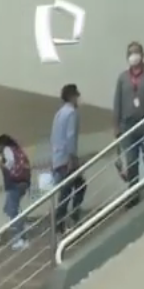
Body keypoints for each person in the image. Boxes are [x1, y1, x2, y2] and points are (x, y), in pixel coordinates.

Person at [51, 83, 86, 234]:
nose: (78, 99)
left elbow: (54, 137)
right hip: (67, 159)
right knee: (73, 189)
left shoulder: (59, 114)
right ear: (72, 97)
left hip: (58, 158)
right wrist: (73, 158)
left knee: (69, 189)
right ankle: (68, 220)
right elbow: (70, 136)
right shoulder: (71, 113)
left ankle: (63, 222)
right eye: (76, 96)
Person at [113, 41, 144, 208]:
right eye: (131, 53)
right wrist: (116, 126)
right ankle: (133, 194)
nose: (134, 55)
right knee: (131, 162)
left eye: (136, 52)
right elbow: (117, 102)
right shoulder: (123, 78)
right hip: (128, 126)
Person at [0, 134, 31, 249]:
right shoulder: (17, 150)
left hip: (14, 184)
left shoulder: (7, 149)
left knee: (12, 211)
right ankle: (23, 225)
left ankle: (21, 238)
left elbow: (10, 162)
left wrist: (2, 165)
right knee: (8, 208)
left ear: (1, 144)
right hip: (23, 182)